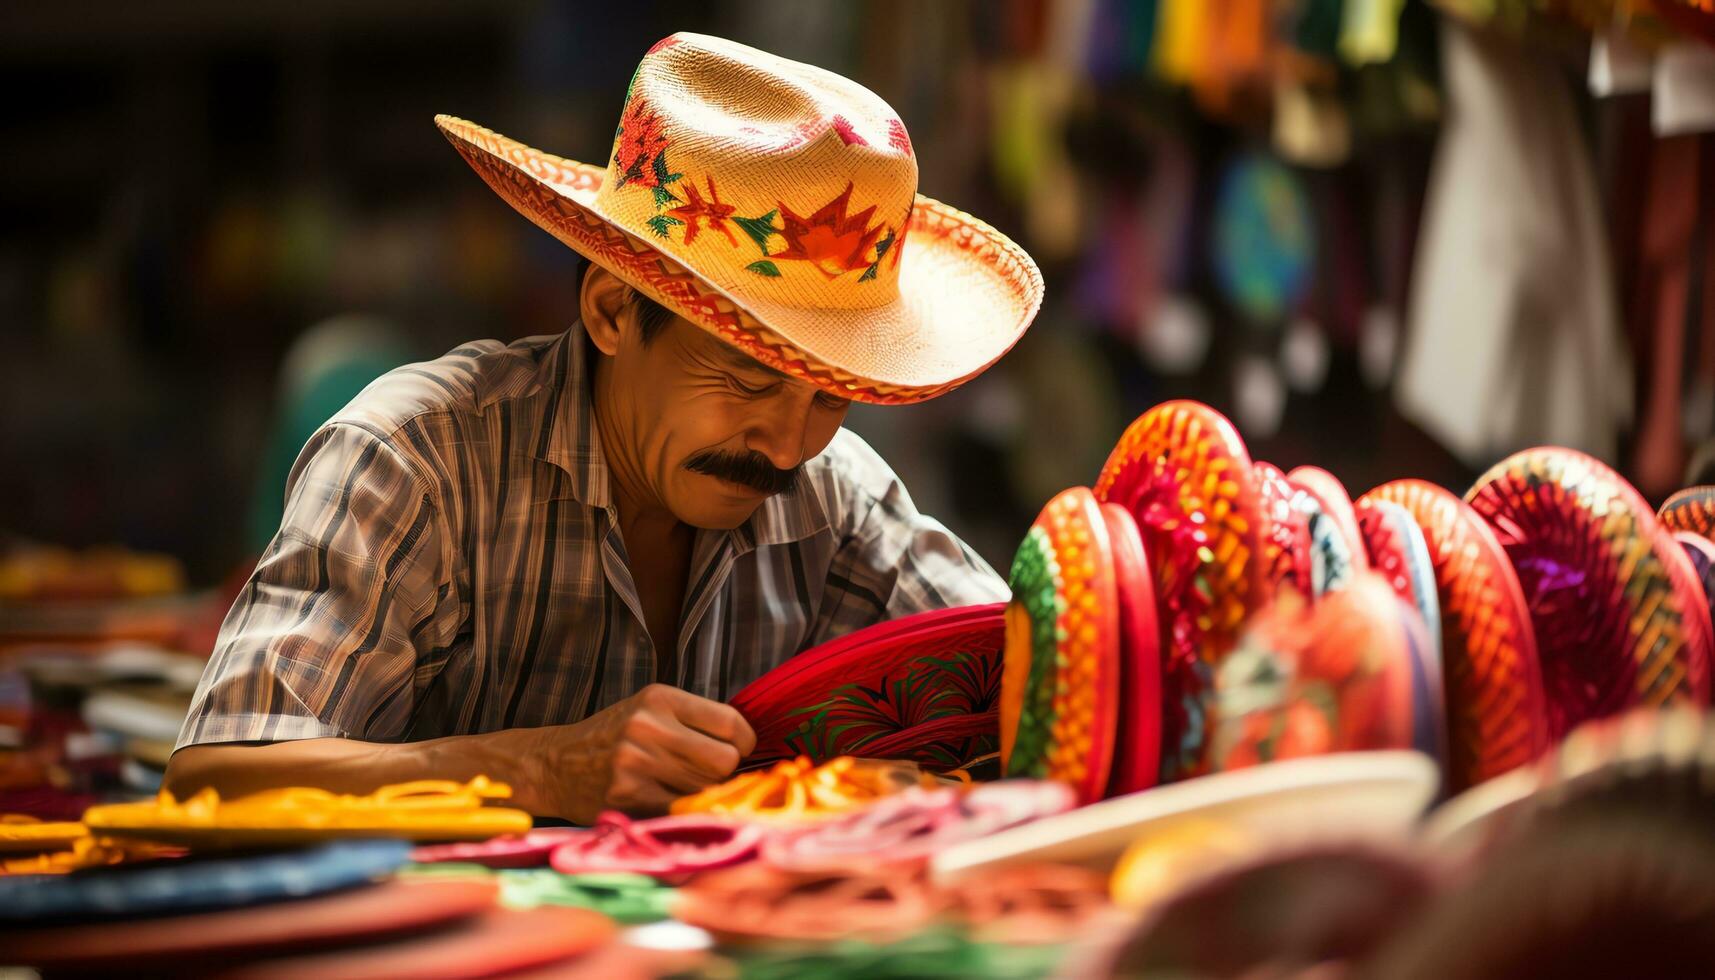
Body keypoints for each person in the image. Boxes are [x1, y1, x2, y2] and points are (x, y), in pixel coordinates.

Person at [166, 32, 1043, 823]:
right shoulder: (419, 458)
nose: (785, 445)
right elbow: (218, 777)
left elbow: (1027, 687)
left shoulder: (834, 498)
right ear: (613, 310)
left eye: (828, 397)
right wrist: (537, 770)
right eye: (744, 379)